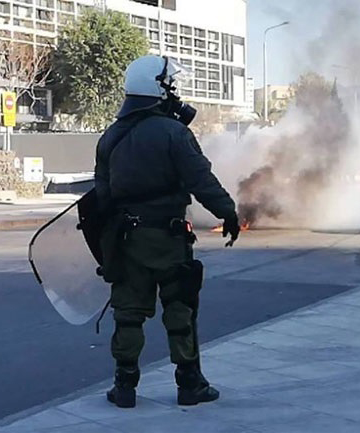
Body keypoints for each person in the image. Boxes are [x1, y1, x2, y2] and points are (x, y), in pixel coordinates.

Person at [95, 55, 240, 408]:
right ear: (156, 88)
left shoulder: (110, 137)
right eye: (169, 84)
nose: (174, 91)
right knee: (179, 309)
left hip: (127, 241)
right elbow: (201, 181)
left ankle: (124, 386)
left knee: (128, 312)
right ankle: (190, 384)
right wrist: (228, 213)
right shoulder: (174, 133)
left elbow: (103, 197)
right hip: (168, 238)